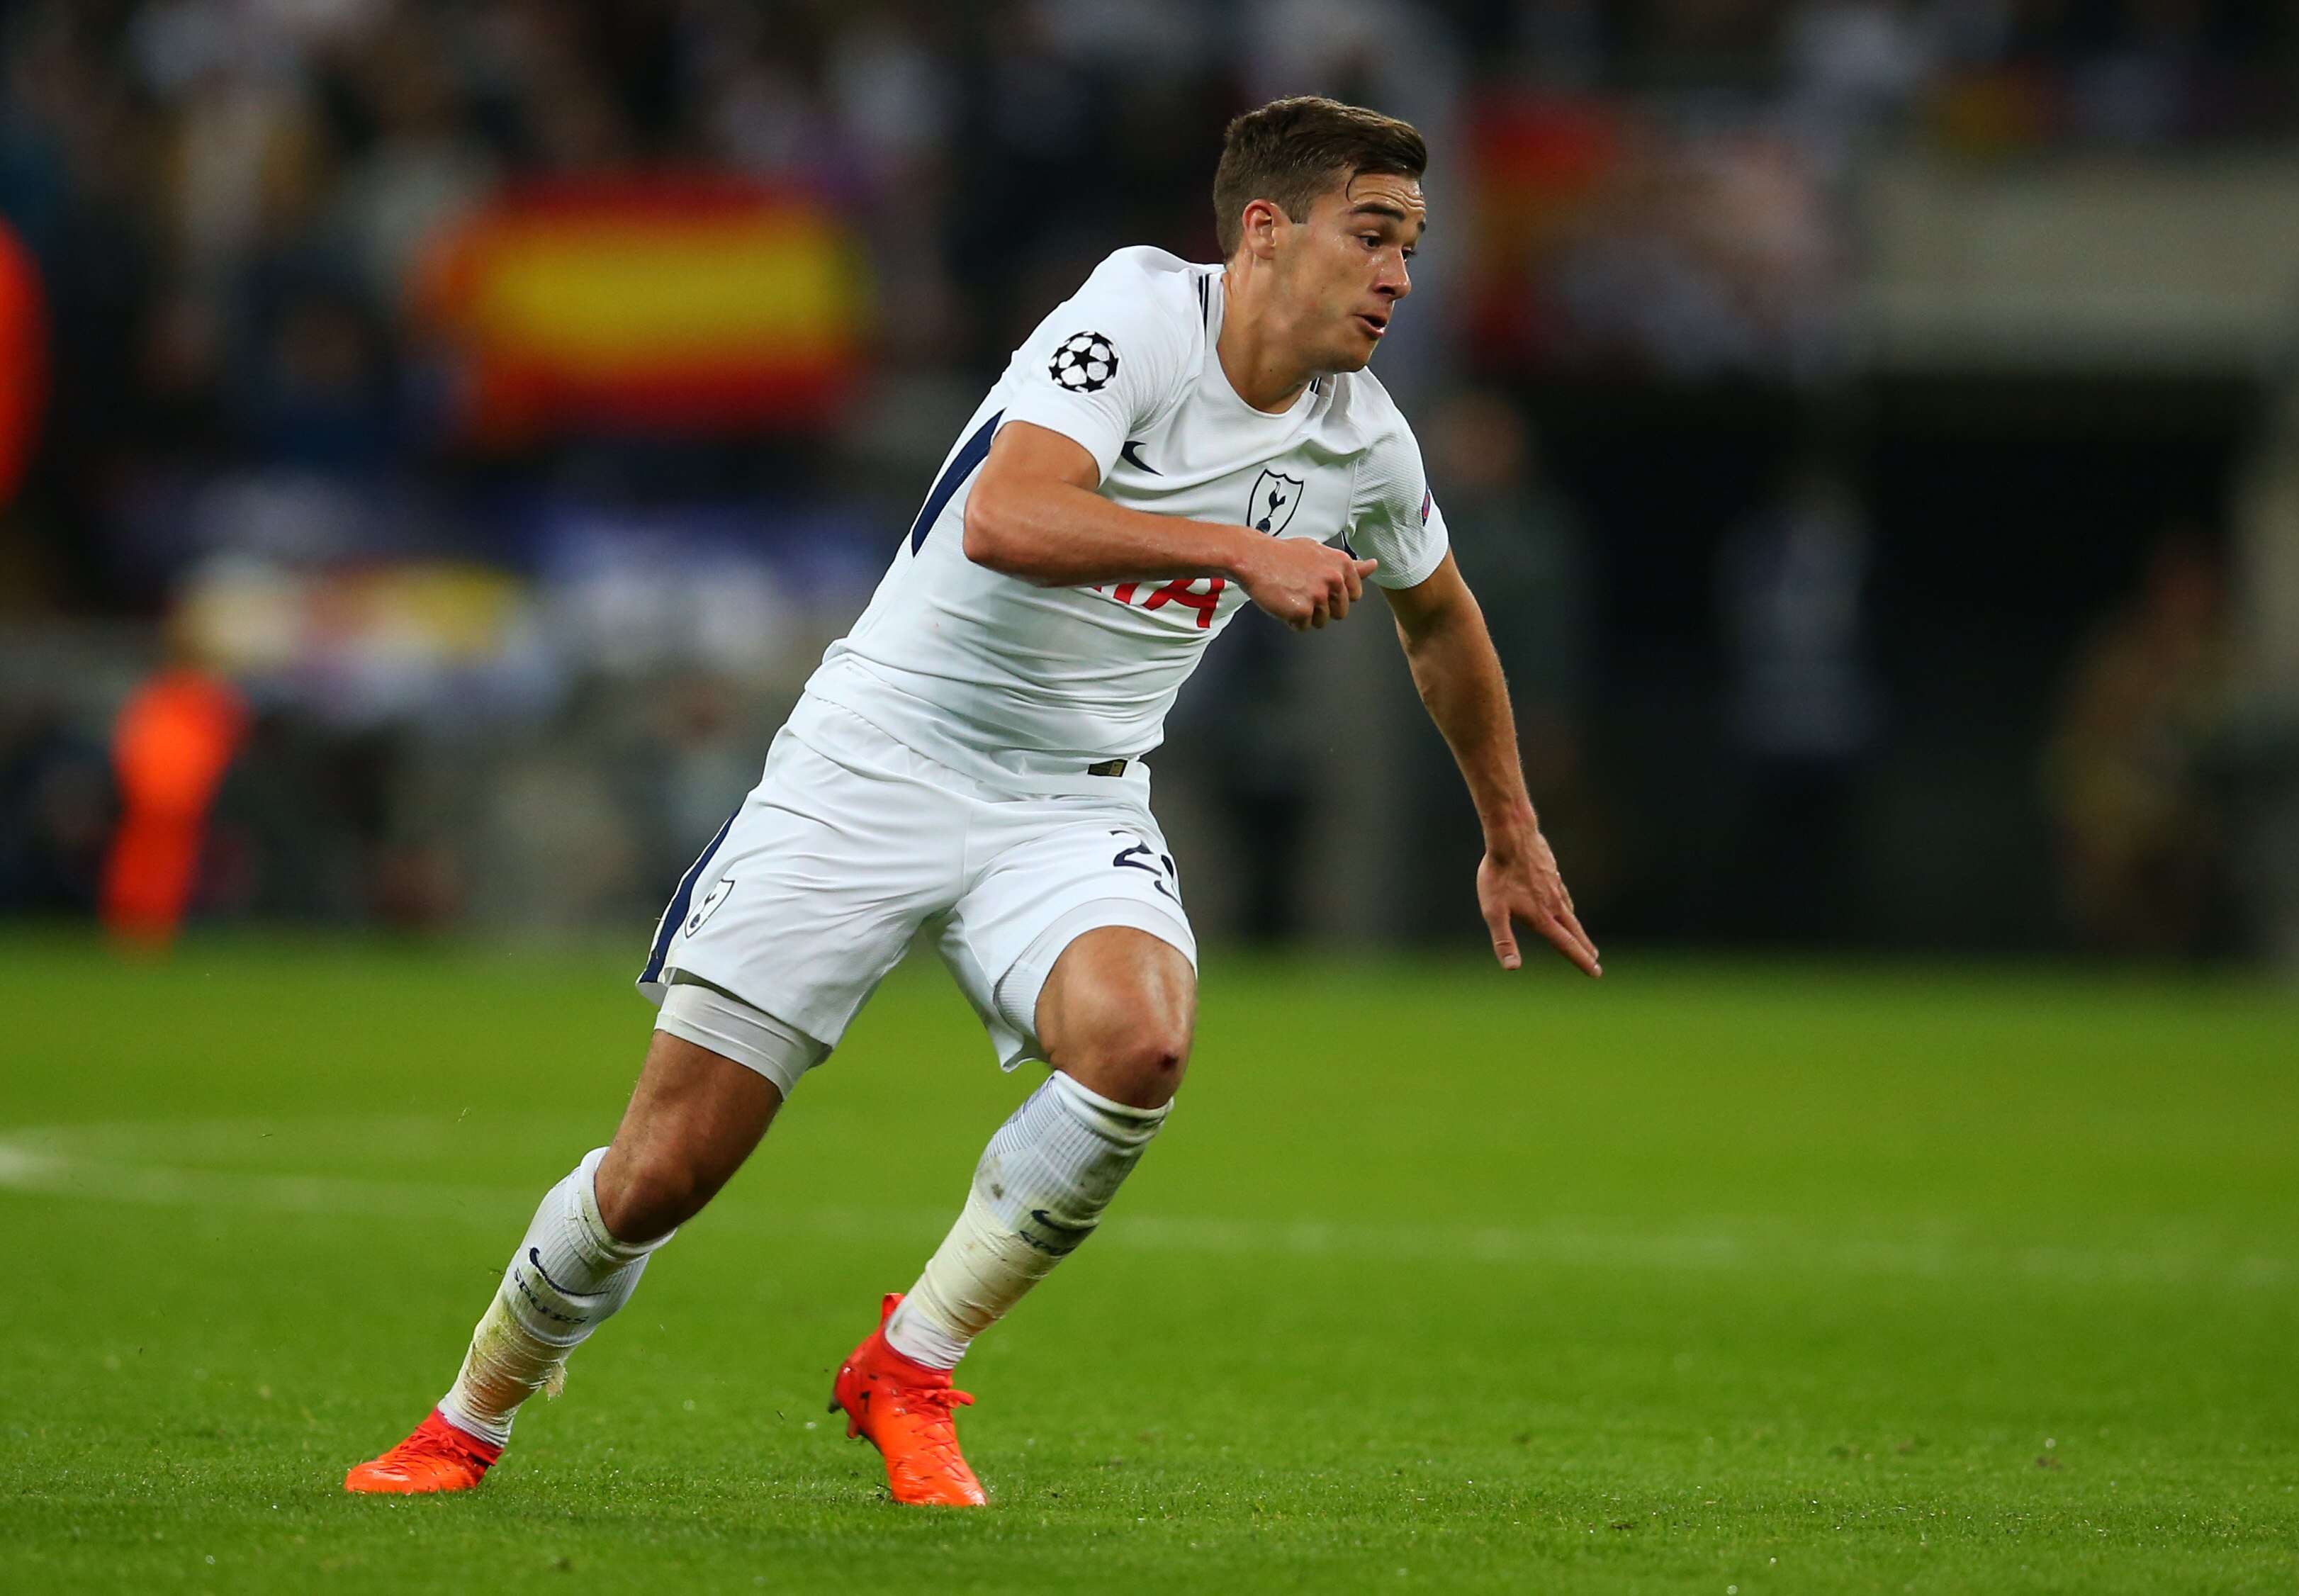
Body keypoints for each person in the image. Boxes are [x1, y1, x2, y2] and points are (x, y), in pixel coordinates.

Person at [344, 95, 1599, 1509]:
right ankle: (470, 1415)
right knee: (661, 1174)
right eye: (1374, 235)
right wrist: (1234, 550)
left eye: (1412, 247)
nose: (1400, 276)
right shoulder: (1133, 311)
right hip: (876, 758)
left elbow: (1442, 621)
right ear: (1266, 230)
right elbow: (1007, 517)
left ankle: (910, 1362)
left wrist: (1511, 830)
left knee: (1139, 1045)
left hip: (1069, 800)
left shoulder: (1362, 443)